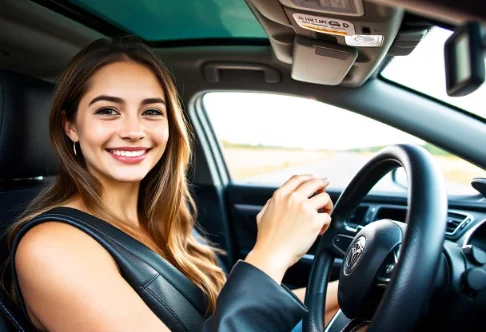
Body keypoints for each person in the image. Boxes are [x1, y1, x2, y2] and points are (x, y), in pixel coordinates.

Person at [5, 37, 339, 331]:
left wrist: (350, 288)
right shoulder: (52, 248)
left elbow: (226, 315)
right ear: (71, 127)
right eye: (108, 111)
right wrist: (271, 252)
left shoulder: (165, 216)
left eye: (151, 112)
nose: (134, 130)